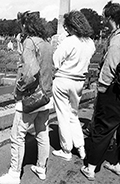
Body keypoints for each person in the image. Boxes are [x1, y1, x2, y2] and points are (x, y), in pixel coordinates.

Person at [0, 12, 54, 184]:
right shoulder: (46, 44)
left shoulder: (29, 43)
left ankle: (14, 174)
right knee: (42, 133)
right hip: (45, 97)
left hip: (31, 98)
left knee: (17, 135)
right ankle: (41, 167)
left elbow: (30, 72)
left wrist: (19, 89)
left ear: (26, 26)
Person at [81, 1, 120, 181]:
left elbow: (111, 64)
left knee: (102, 127)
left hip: (113, 90)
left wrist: (101, 88)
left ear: (111, 18)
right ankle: (115, 162)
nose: (103, 21)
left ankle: (91, 167)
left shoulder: (117, 39)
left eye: (105, 17)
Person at [51, 11, 95, 161]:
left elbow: (56, 60)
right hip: (79, 81)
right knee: (73, 114)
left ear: (71, 26)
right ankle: (81, 147)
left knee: (63, 115)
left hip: (63, 80)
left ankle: (66, 149)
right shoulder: (90, 42)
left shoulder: (69, 41)